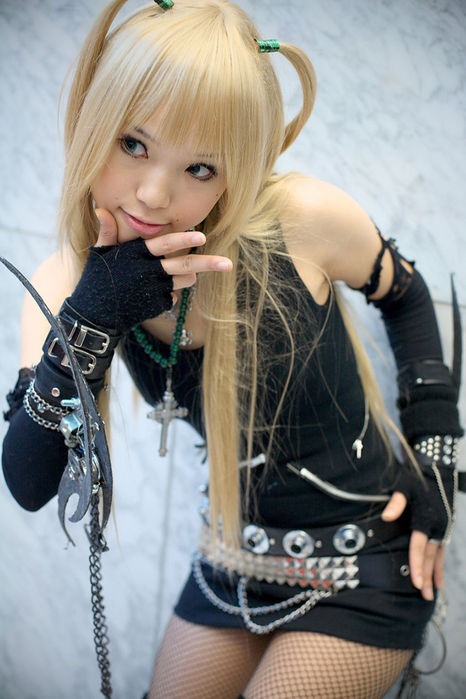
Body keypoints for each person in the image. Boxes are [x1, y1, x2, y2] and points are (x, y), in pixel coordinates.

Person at [1, 0, 463, 697]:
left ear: (235, 171)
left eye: (200, 168)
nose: (153, 194)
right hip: (230, 560)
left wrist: (437, 453)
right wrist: (92, 314)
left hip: (367, 559)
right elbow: (28, 482)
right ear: (93, 121)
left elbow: (405, 292)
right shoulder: (63, 283)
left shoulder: (300, 218)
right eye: (133, 143)